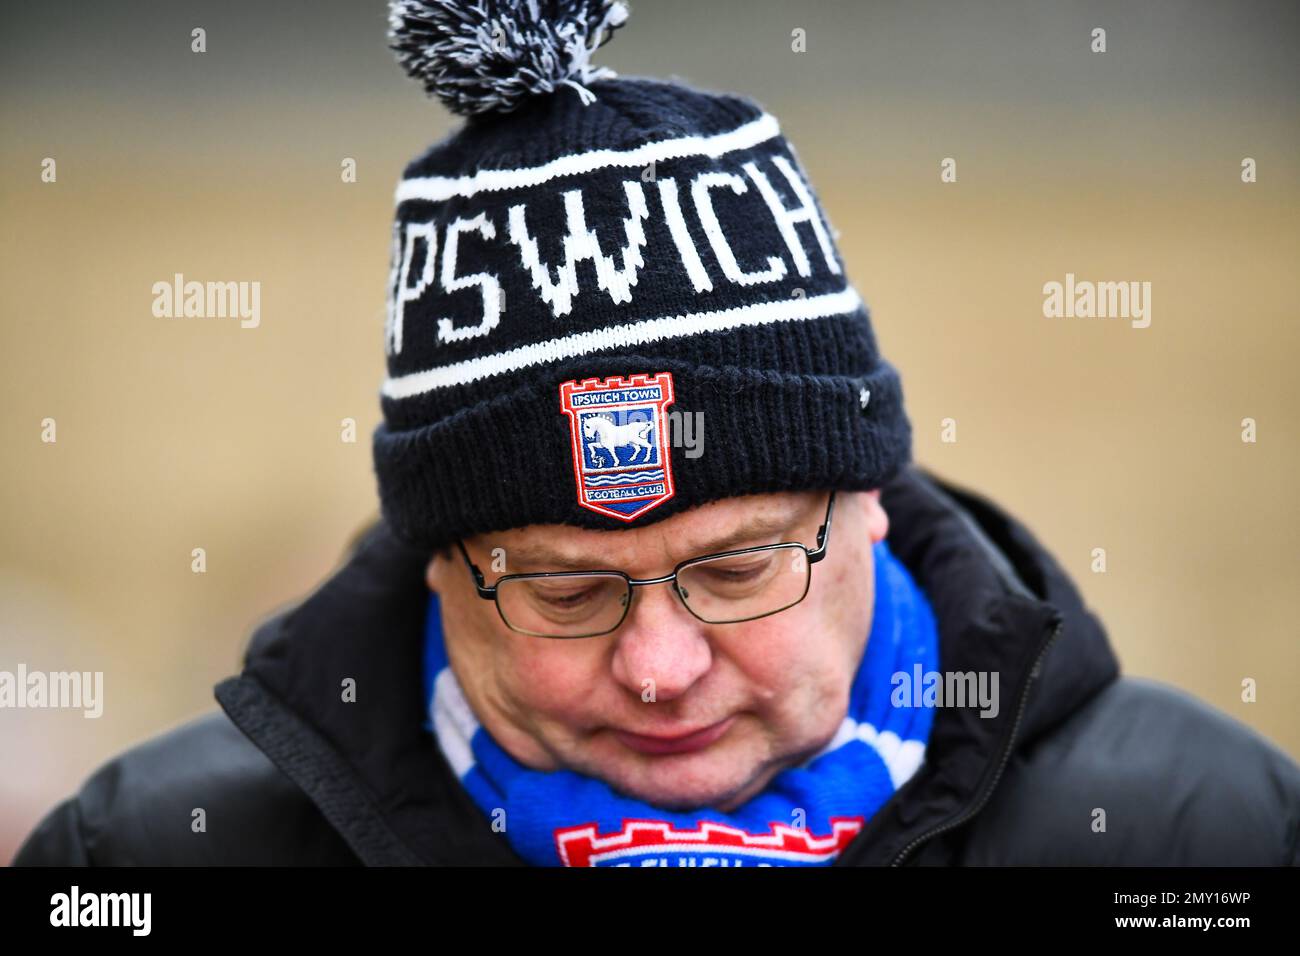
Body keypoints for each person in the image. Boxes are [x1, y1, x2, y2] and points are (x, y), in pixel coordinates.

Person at [14, 0, 1299, 867]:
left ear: (868, 504)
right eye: (567, 588)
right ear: (436, 563)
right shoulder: (141, 856)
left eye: (736, 566)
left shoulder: (1202, 837)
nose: (661, 666)